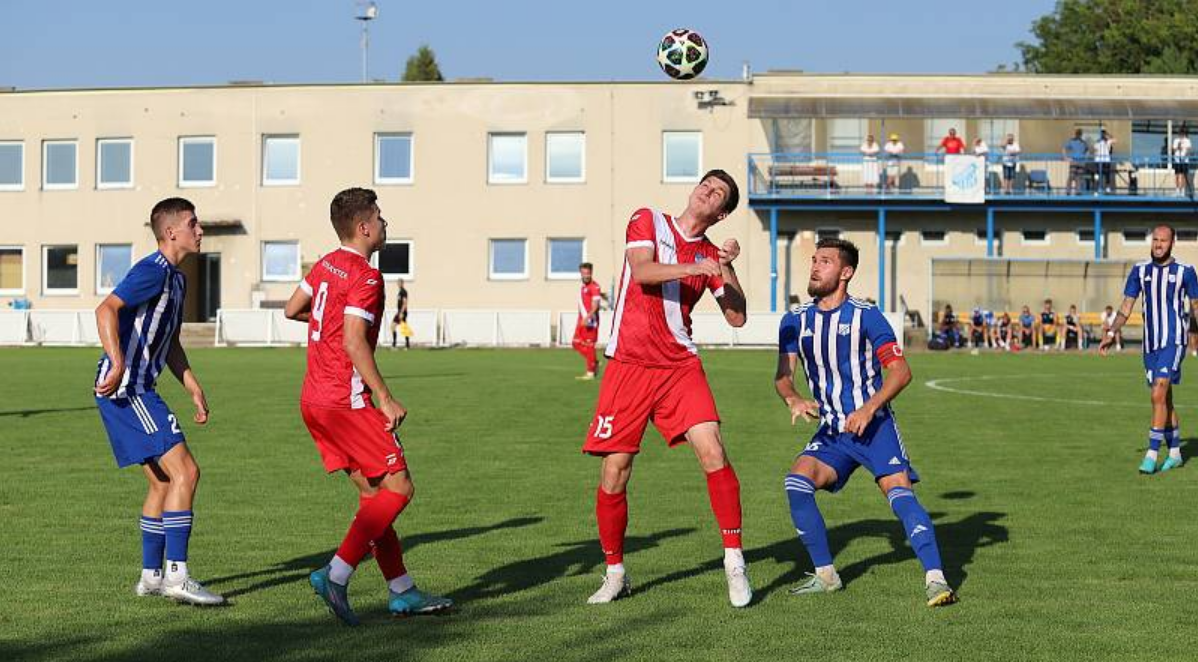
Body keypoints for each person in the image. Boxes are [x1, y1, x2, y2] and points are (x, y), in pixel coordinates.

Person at [582, 170, 751, 607]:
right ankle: (615, 573)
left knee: (713, 450)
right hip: (628, 365)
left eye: (718, 193)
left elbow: (736, 317)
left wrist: (726, 265)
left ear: (722, 213)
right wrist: (698, 266)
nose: (707, 192)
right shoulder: (648, 220)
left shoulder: (711, 254)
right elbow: (642, 272)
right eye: (706, 185)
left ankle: (734, 562)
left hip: (679, 365)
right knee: (615, 471)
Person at [284, 188, 451, 625]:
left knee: (374, 497)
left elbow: (292, 308)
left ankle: (402, 591)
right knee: (399, 489)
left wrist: (330, 323)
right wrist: (385, 397)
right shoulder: (366, 276)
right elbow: (354, 341)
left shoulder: (325, 264)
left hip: (314, 400)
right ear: (363, 228)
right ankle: (335, 574)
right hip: (347, 400)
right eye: (379, 216)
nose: (384, 223)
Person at [774, 238, 957, 607]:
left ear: (846, 272)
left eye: (825, 261)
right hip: (832, 431)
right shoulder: (794, 320)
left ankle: (936, 580)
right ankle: (826, 576)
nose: (814, 266)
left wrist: (869, 409)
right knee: (796, 482)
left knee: (899, 493)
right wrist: (793, 398)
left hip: (874, 427)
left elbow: (901, 371)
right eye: (814, 260)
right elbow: (783, 376)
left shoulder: (866, 316)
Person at [93, 197, 224, 606]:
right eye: (193, 223)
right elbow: (105, 309)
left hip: (133, 389)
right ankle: (177, 577)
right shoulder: (153, 271)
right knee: (187, 472)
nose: (200, 230)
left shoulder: (177, 280)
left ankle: (151, 577)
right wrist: (117, 361)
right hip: (127, 391)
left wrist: (192, 385)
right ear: (171, 232)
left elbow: (169, 342)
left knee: (163, 482)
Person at [1100, 225, 1198, 474]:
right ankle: (1175, 453)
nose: (1158, 244)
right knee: (1164, 399)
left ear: (1172, 243)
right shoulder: (1139, 270)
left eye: (1163, 240)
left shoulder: (1186, 271)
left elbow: (1196, 306)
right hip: (1150, 345)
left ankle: (1151, 455)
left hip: (1174, 340)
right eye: (1155, 239)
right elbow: (1126, 306)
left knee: (1158, 392)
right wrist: (1111, 333)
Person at [572, 262, 604, 380]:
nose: (586, 275)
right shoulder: (583, 287)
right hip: (582, 320)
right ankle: (594, 361)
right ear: (580, 273)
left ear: (591, 273)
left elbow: (595, 306)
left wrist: (587, 317)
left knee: (590, 346)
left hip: (591, 322)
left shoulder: (595, 287)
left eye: (588, 273)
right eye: (583, 273)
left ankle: (590, 373)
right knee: (576, 343)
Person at [1063, 129, 1090, 195]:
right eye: (1078, 133)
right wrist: (1066, 158)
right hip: (1074, 161)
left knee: (1079, 177)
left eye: (1079, 133)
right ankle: (1068, 191)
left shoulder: (1084, 142)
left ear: (1081, 134)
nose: (1078, 135)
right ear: (1076, 134)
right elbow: (1064, 148)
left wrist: (1085, 158)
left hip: (1081, 162)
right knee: (1071, 176)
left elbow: (1087, 151)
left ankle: (1078, 191)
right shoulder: (1071, 141)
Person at [389, 279, 410, 349]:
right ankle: (406, 345)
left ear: (402, 283)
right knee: (401, 327)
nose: (398, 284)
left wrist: (401, 312)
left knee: (396, 326)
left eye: (399, 283)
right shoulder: (400, 292)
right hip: (399, 311)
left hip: (402, 312)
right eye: (397, 283)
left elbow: (405, 303)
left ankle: (395, 345)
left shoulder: (404, 292)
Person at [1093, 130, 1116, 194]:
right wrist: (1109, 135)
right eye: (1103, 134)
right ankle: (1097, 188)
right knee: (1099, 174)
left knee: (1106, 174)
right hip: (1100, 160)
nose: (1103, 136)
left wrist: (1108, 135)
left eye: (1104, 134)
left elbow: (1115, 140)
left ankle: (1106, 188)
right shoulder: (1098, 142)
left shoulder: (1107, 141)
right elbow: (1095, 150)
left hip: (1104, 160)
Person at [1172, 129, 1192, 196]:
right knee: (1177, 175)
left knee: (1183, 175)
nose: (1181, 134)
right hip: (1177, 160)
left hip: (1184, 160)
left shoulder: (1187, 140)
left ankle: (1183, 191)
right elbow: (1173, 149)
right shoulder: (1176, 140)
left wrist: (1185, 154)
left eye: (1182, 133)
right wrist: (1178, 147)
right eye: (1180, 133)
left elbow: (1189, 149)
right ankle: (1177, 190)